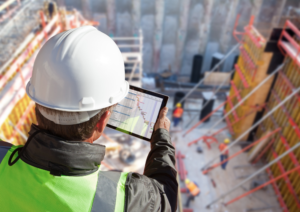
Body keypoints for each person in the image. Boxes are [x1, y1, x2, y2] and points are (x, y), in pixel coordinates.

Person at [0, 26, 178, 212]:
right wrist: (161, 139)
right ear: (102, 122)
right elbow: (165, 194)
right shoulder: (125, 197)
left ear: (37, 105)